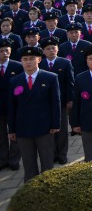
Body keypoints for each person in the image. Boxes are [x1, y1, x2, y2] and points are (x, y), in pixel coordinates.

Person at [7, 45, 61, 181]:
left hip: (44, 127)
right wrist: (12, 129)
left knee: (47, 161)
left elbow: (56, 103)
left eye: (32, 58)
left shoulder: (50, 78)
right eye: (25, 59)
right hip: (23, 128)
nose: (28, 62)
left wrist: (56, 124)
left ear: (39, 59)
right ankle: (31, 190)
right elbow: (12, 107)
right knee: (28, 163)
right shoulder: (15, 81)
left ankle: (48, 187)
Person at [38, 36, 74, 164]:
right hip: (45, 103)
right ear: (43, 51)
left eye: (53, 48)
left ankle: (62, 154)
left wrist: (70, 99)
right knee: (49, 130)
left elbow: (70, 82)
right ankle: (52, 154)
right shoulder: (40, 64)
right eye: (48, 49)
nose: (51, 50)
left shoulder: (65, 63)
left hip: (62, 102)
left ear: (58, 49)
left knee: (62, 129)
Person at [0, 38, 23, 170]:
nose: (4, 53)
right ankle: (3, 159)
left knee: (15, 133)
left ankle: (14, 159)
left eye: (6, 50)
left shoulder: (17, 66)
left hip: (13, 106)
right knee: (1, 135)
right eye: (1, 51)